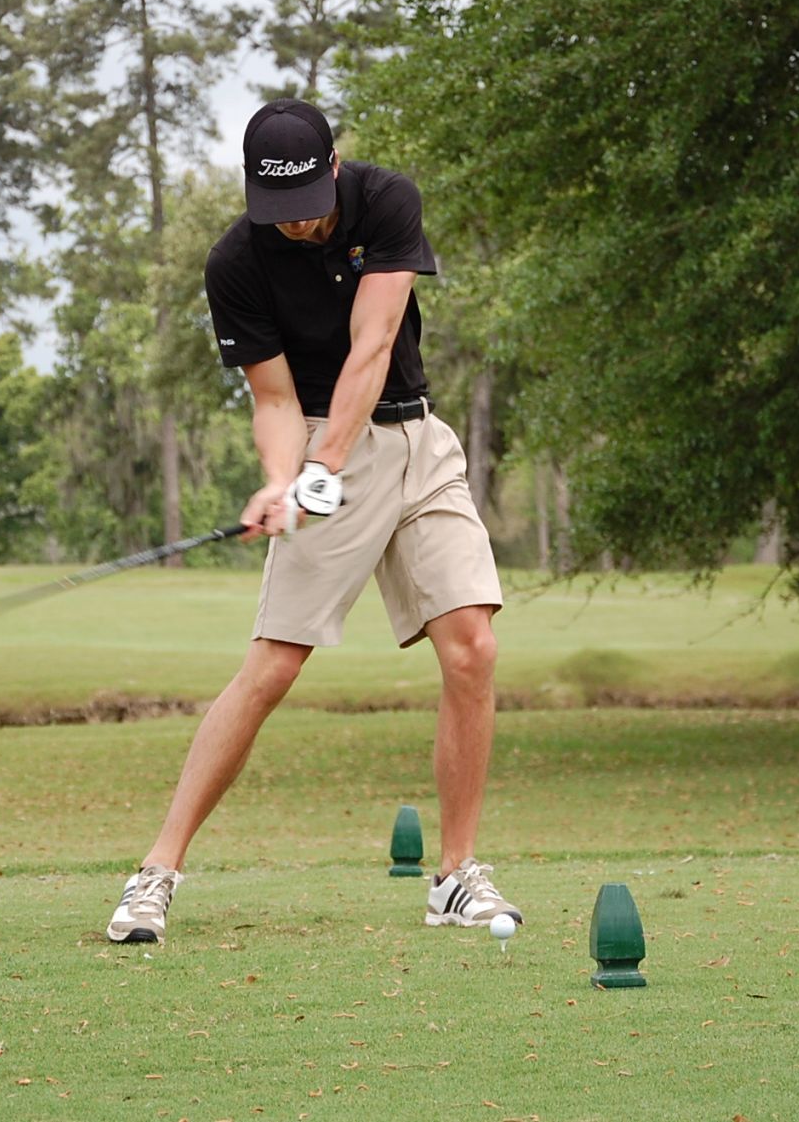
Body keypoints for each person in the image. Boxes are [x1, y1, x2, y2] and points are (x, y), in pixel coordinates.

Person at [105, 98, 520, 944]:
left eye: (307, 207)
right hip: (327, 445)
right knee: (271, 668)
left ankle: (454, 874)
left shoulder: (386, 201)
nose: (295, 226)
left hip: (414, 441)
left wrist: (317, 469)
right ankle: (156, 871)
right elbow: (273, 396)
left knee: (472, 643)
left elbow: (373, 347)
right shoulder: (236, 261)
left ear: (334, 168)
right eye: (277, 212)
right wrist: (278, 478)